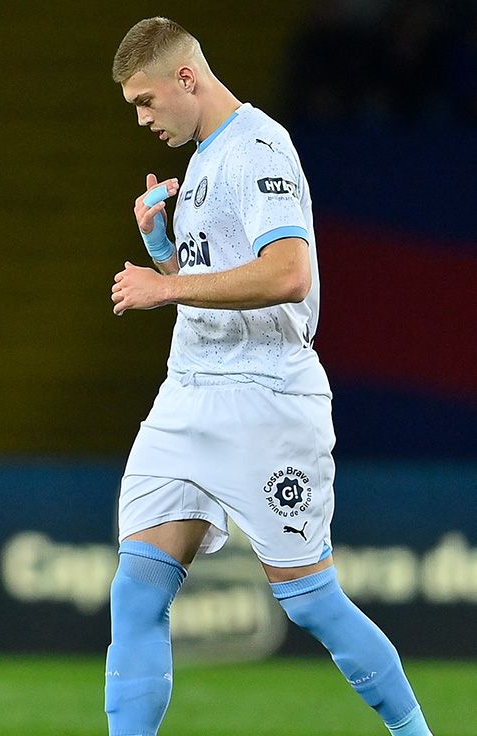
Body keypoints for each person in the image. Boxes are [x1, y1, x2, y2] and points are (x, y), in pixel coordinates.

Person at [105, 18, 432, 736]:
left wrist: (167, 289)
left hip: (264, 397)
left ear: (186, 78)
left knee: (310, 600)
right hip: (187, 390)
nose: (142, 119)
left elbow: (288, 275)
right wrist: (165, 255)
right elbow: (210, 289)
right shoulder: (198, 169)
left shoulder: (258, 148)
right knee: (136, 591)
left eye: (147, 101)